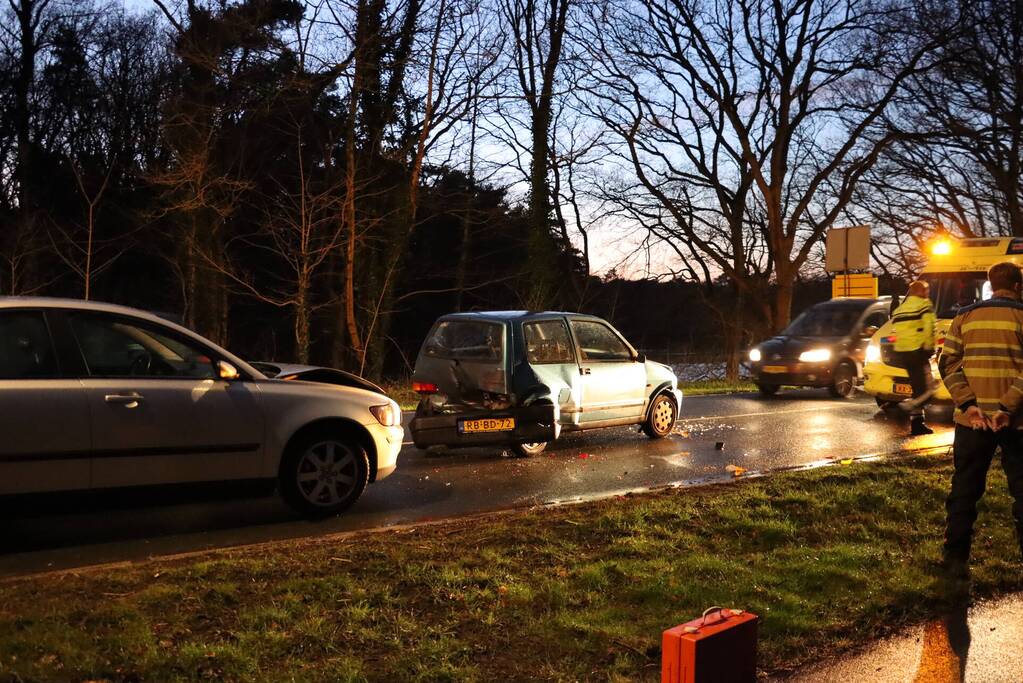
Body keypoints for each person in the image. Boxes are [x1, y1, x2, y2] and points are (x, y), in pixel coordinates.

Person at [938, 261, 1023, 577]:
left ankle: (954, 559)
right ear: (1018, 286)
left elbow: (947, 364)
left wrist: (969, 405)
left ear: (991, 285)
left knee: (964, 488)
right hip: (1017, 422)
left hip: (971, 422)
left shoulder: (964, 316)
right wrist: (1007, 408)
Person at [891, 280, 937, 435]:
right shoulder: (924, 305)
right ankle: (905, 407)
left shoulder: (900, 309)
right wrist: (929, 347)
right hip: (919, 351)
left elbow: (895, 332)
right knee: (929, 390)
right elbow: (929, 327)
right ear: (921, 291)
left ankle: (917, 424)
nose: (928, 294)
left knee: (917, 388)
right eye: (926, 290)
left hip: (903, 352)